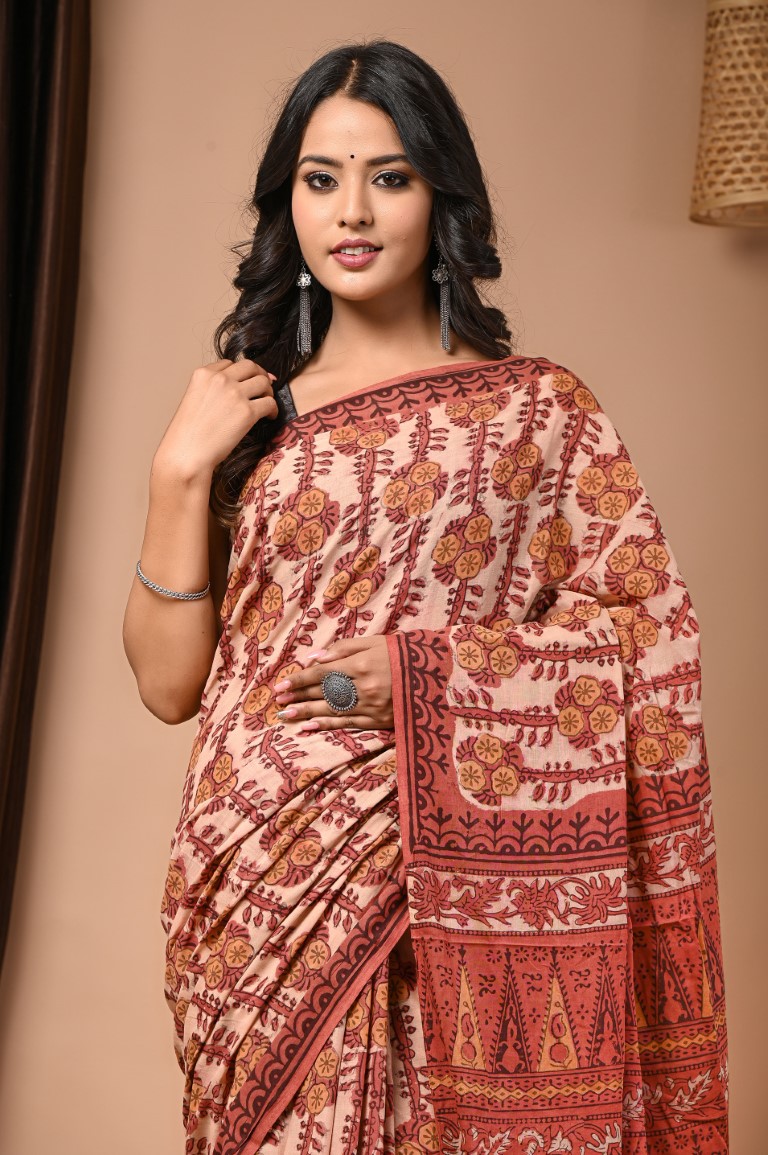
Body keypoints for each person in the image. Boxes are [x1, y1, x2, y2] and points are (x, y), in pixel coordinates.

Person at [123, 39, 729, 1155]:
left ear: (441, 195)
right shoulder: (245, 420)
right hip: (253, 878)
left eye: (389, 177)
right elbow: (170, 688)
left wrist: (423, 681)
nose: (351, 211)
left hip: (434, 863)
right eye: (321, 178)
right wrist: (176, 472)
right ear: (288, 202)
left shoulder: (538, 412)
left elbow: (646, 637)